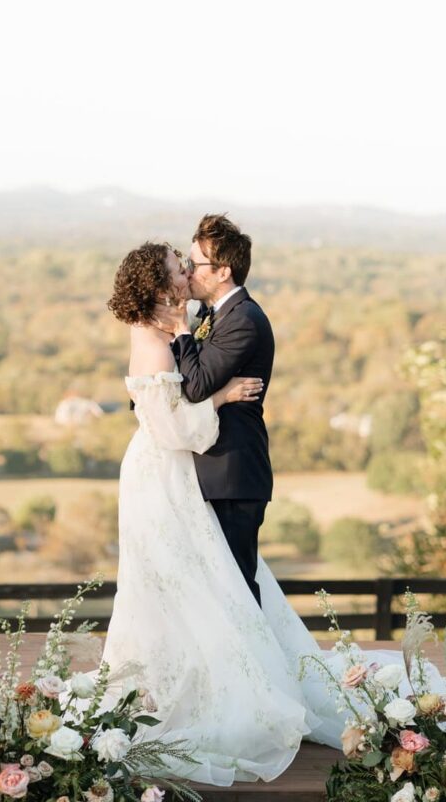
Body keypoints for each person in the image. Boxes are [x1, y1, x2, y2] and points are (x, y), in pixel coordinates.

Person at [102, 235, 423, 785]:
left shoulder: (197, 323)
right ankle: (190, 690)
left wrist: (196, 365)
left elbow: (170, 397)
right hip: (165, 474)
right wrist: (223, 397)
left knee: (212, 584)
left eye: (190, 264)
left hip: (186, 476)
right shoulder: (156, 336)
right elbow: (173, 426)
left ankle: (236, 684)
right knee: (181, 587)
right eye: (179, 268)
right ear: (159, 283)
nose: (186, 275)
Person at [152, 214, 273, 608]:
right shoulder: (213, 315)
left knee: (236, 588)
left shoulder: (244, 320)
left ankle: (257, 670)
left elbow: (196, 385)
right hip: (209, 471)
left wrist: (182, 332)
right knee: (212, 594)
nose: (187, 272)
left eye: (195, 264)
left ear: (223, 271)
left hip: (233, 475)